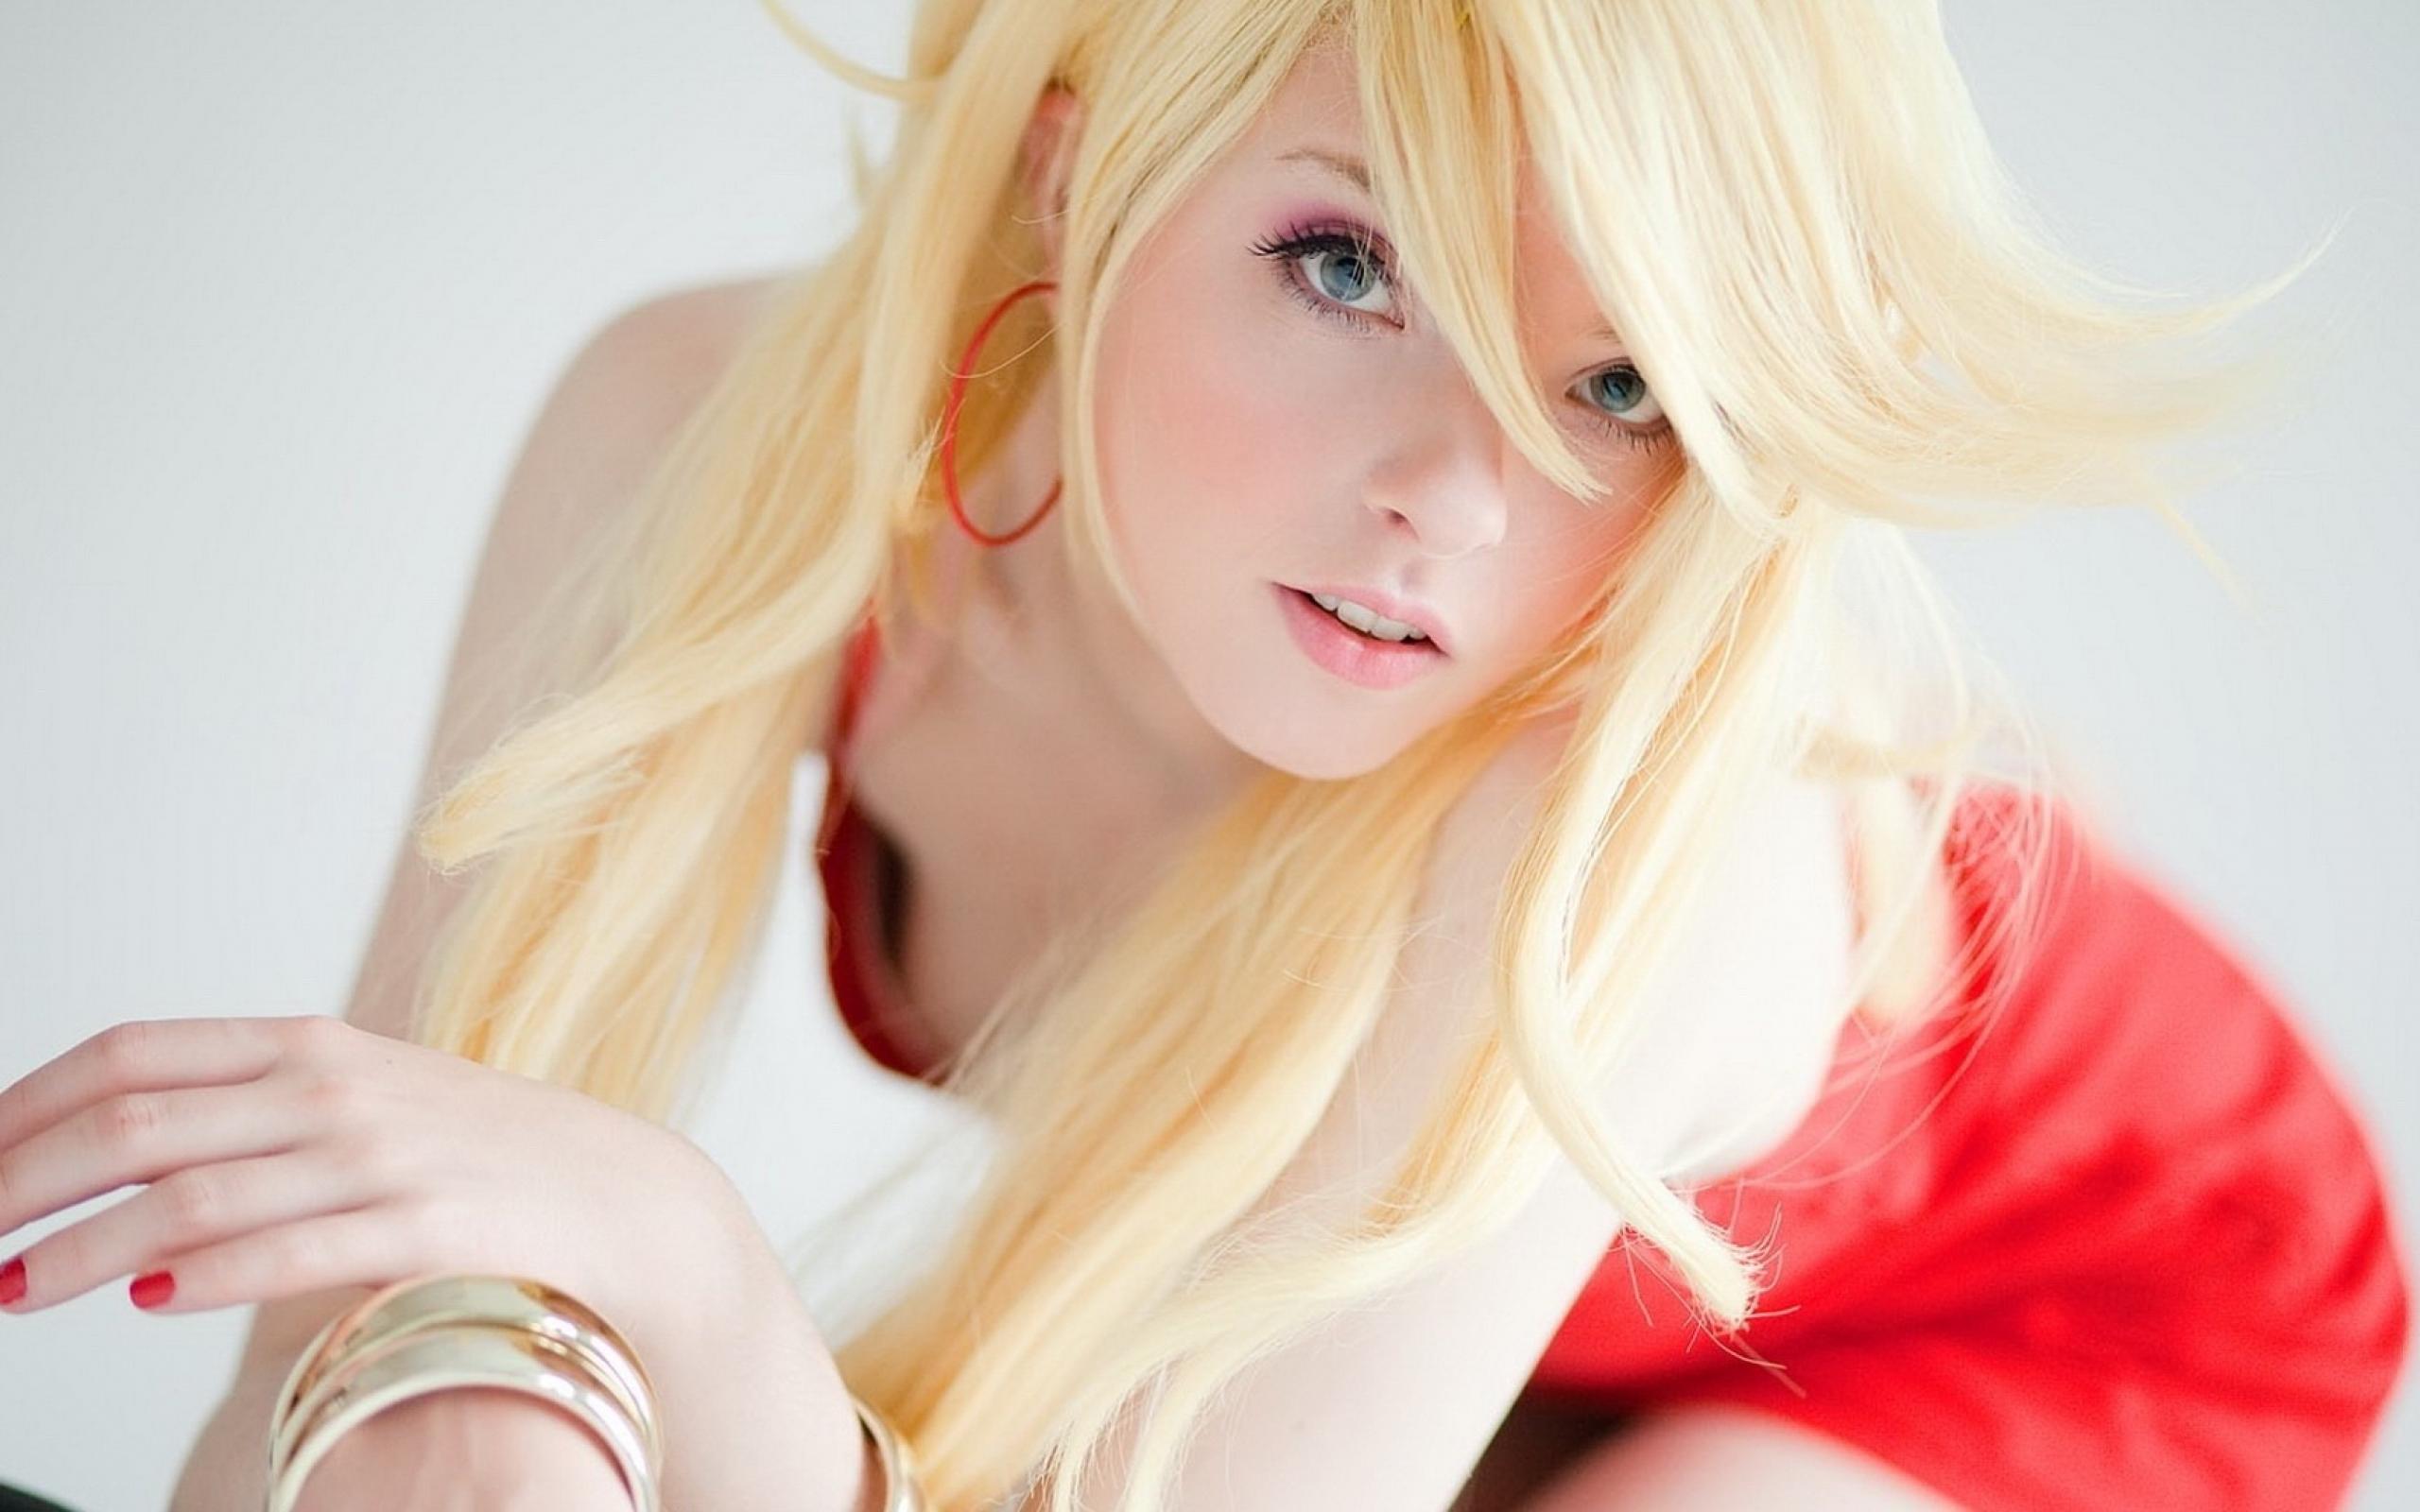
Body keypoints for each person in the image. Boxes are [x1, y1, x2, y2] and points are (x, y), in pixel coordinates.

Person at [120, 0, 2405, 1507]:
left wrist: (689, 1287)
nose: (1456, 500)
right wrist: (474, 1376)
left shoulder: (1596, 852)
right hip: (1492, 1330)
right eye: (1345, 265)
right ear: (1076, 170)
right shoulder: (707, 442)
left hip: (2070, 1314)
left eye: (1621, 387)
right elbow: (350, 1321)